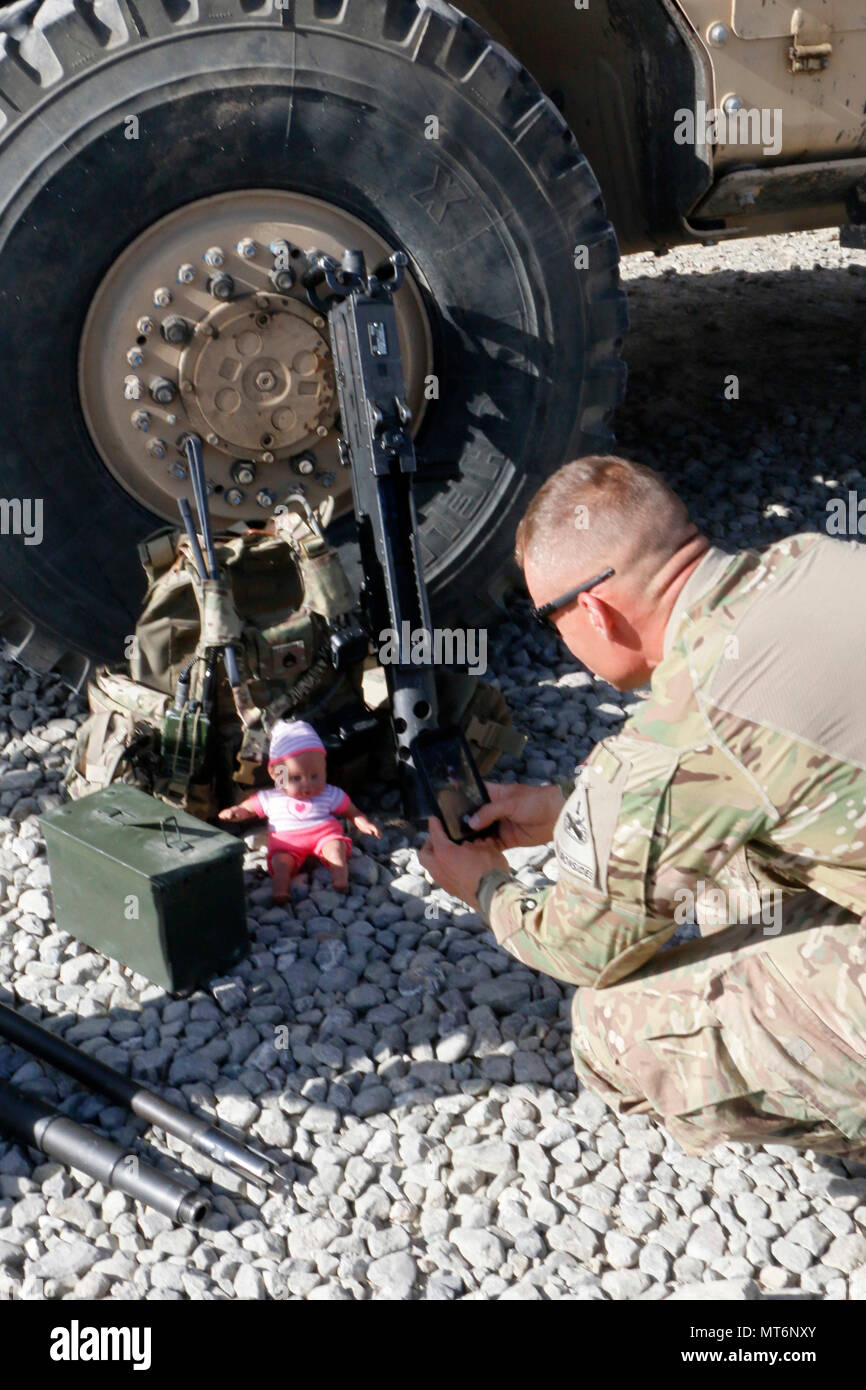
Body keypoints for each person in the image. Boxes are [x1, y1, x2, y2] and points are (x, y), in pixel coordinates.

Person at [419, 455, 866, 1156]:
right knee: (732, 882)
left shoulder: (694, 718)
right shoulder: (813, 559)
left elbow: (582, 944)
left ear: (592, 609)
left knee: (611, 1024)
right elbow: (772, 766)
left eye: (549, 618)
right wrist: (567, 808)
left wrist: (485, 888)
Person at [219, 718, 380, 902]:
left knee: (336, 849)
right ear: (275, 774)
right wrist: (236, 811)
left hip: (324, 836)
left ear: (324, 768)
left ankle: (340, 879)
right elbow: (249, 808)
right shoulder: (273, 797)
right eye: (296, 778)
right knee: (281, 863)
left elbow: (351, 811)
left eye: (315, 776)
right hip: (287, 844)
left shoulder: (328, 793)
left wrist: (363, 822)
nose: (307, 785)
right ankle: (281, 890)